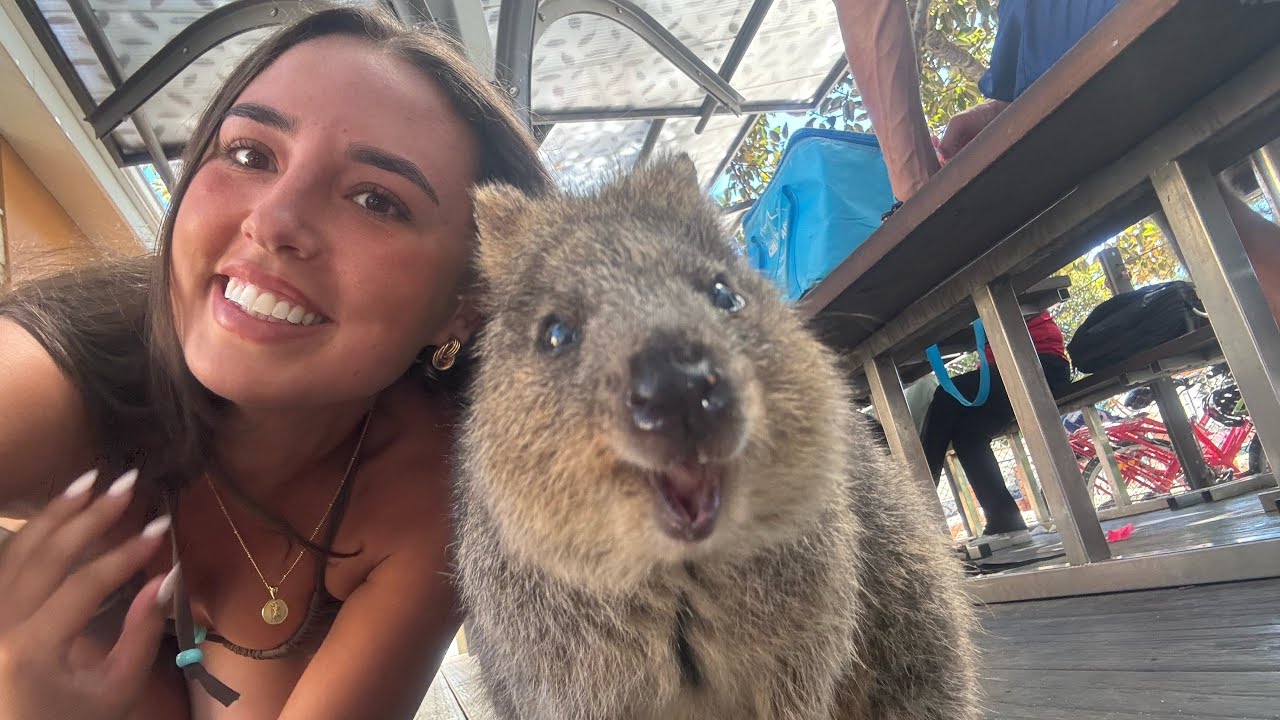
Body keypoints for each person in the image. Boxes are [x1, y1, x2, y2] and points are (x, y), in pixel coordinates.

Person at [0, 5, 551, 719]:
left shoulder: (433, 496)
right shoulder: (59, 372)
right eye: (251, 154)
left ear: (465, 305)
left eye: (377, 200)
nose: (273, 221)